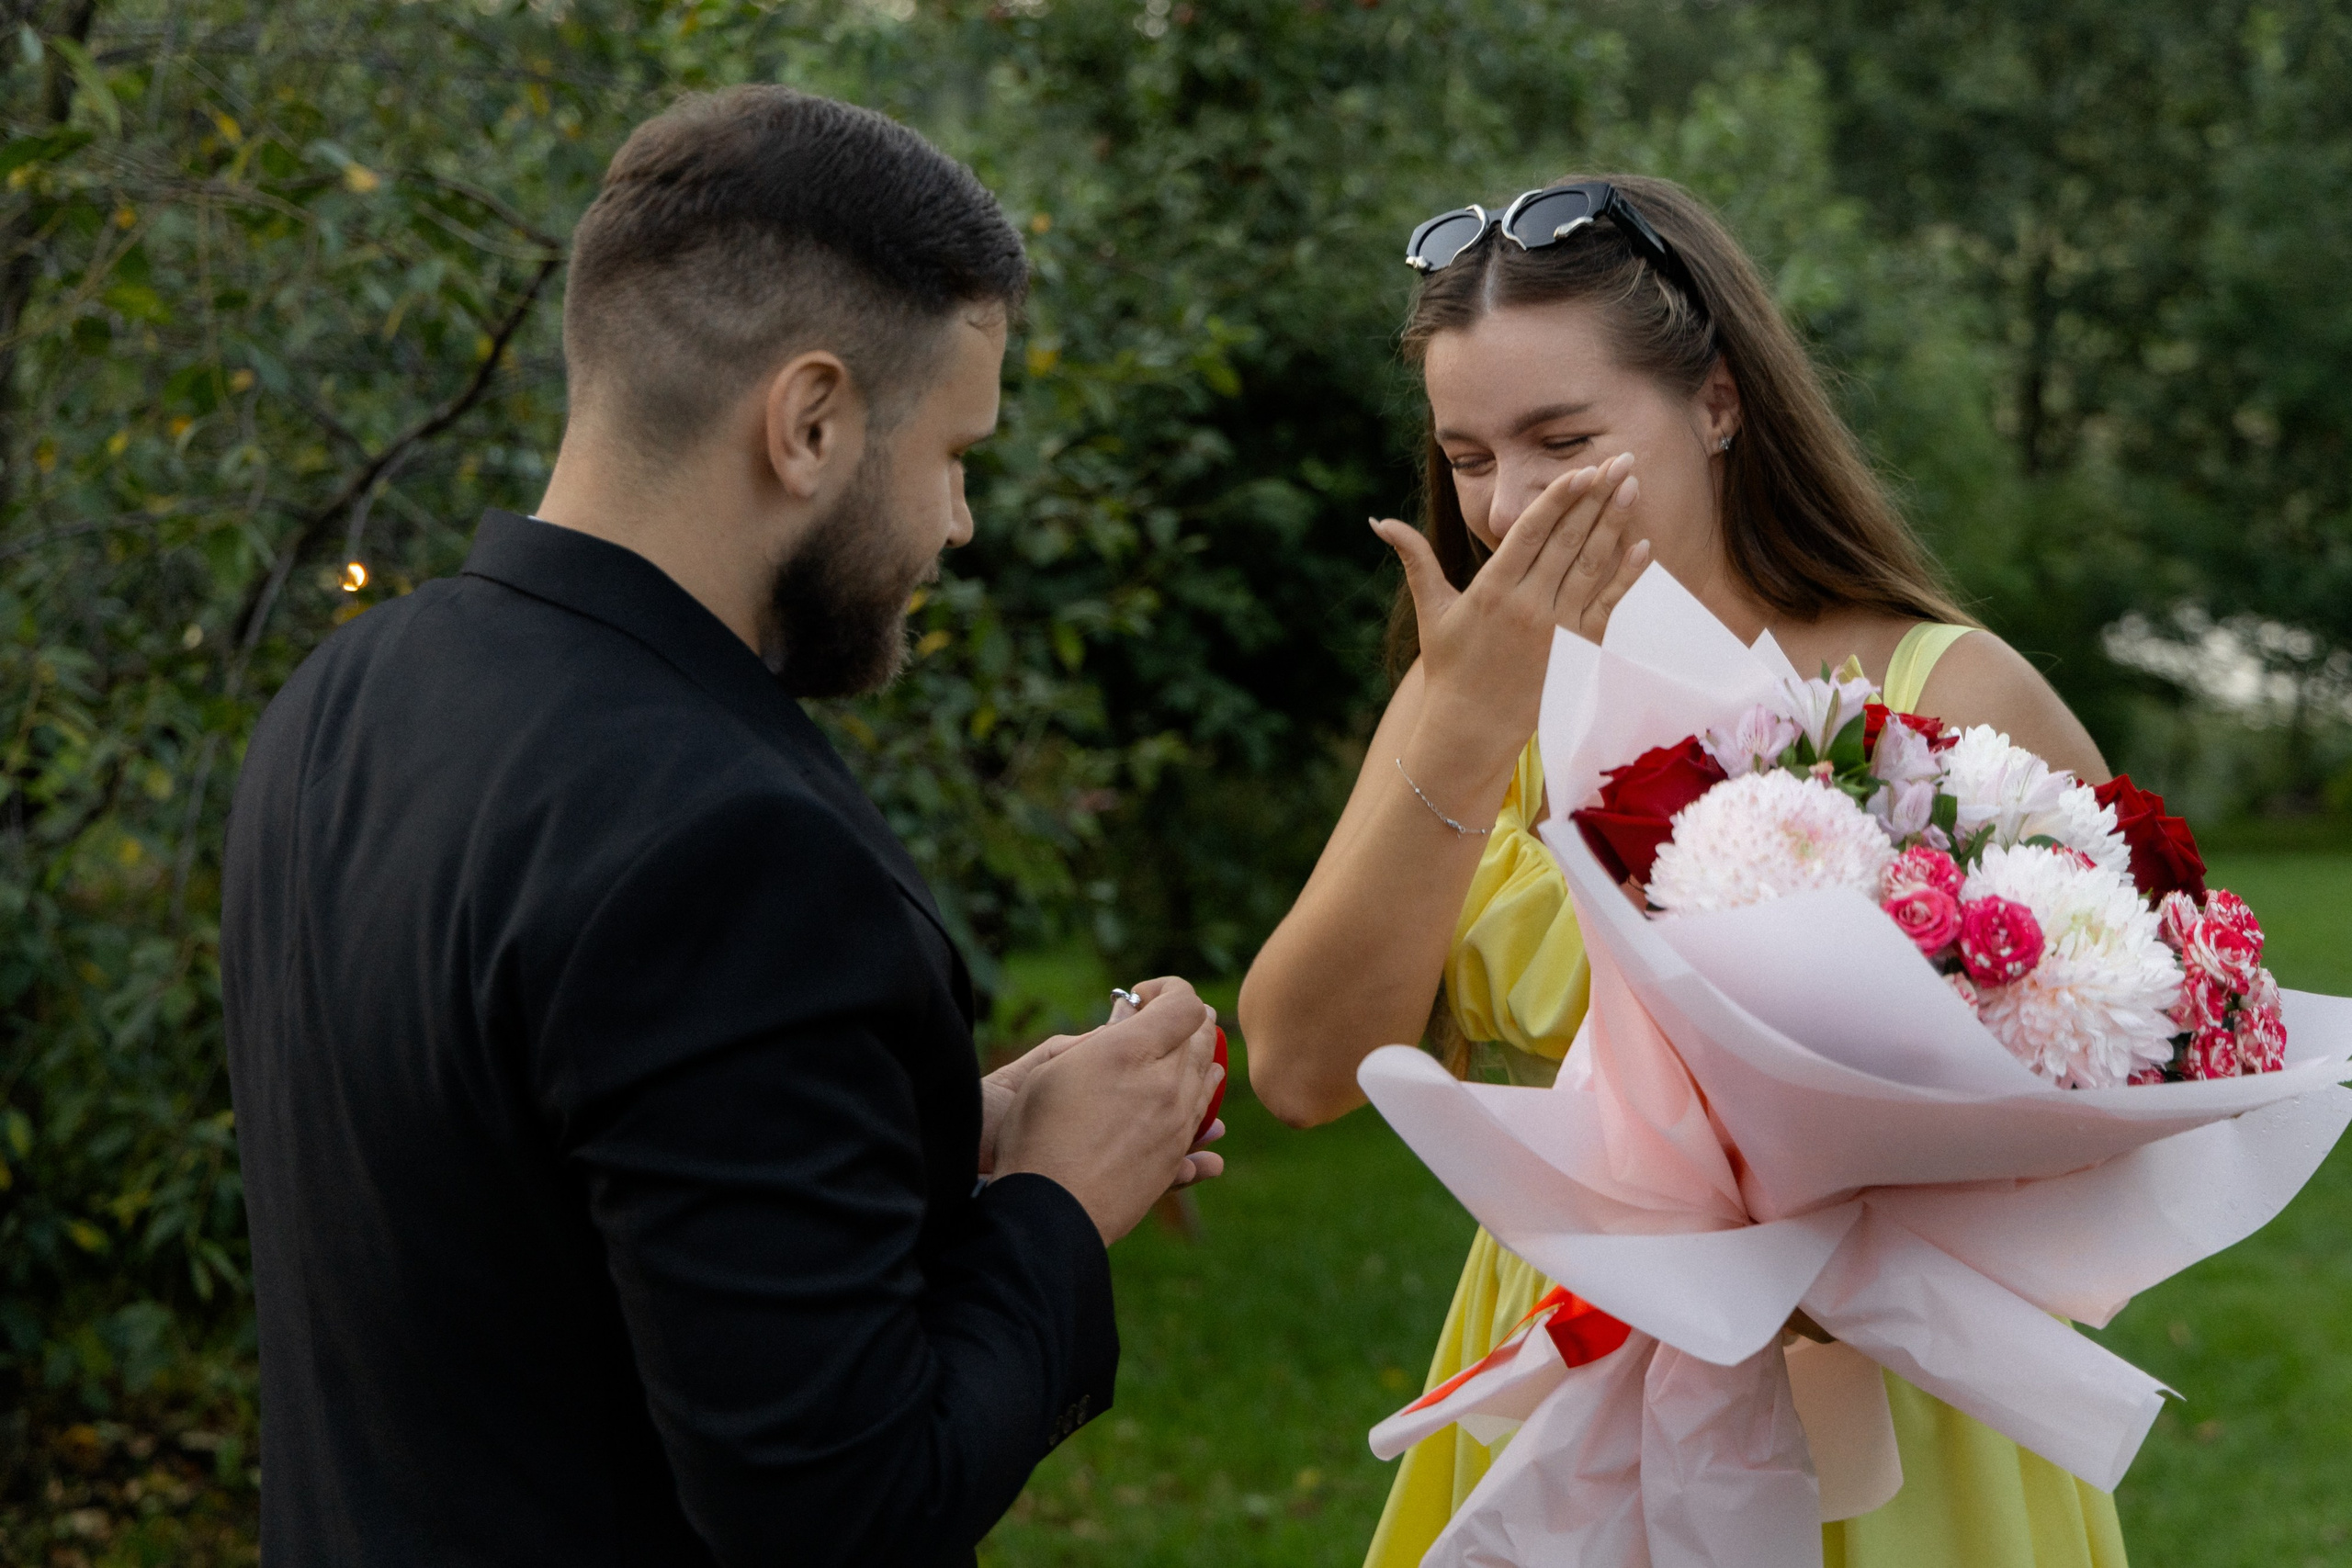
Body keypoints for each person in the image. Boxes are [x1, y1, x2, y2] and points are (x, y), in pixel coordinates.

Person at [220, 86, 1225, 1567]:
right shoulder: (731, 852)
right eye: (953, 455)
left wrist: (942, 1139)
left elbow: (527, 1213)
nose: (957, 524)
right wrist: (1061, 1211)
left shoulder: (345, 697)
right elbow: (846, 1513)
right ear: (810, 422)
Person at [1237, 175, 2125, 1568]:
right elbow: (1297, 1064)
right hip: (1569, 1365)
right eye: (1467, 457)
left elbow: (2138, 1057)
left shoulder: (1948, 688)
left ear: (1717, 403)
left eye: (1561, 439)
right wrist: (1464, 734)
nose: (1512, 505)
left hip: (1904, 1408)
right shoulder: (1468, 705)